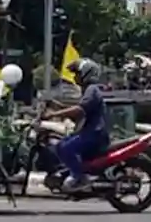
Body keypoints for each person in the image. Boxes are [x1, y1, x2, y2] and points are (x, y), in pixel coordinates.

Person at [45, 58, 109, 192]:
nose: (75, 77)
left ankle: (79, 177)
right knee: (60, 143)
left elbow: (79, 110)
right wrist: (56, 106)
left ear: (87, 74)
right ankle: (72, 172)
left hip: (94, 134)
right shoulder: (88, 90)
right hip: (89, 132)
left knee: (64, 147)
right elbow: (77, 108)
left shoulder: (92, 90)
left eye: (77, 74)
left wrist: (53, 115)